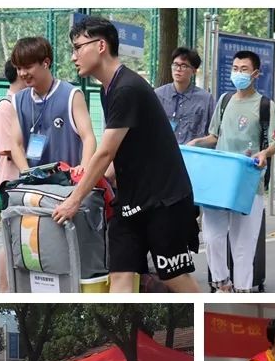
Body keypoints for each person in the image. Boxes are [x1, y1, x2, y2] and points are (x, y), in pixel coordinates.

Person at [52, 16, 200, 294]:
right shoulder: (106, 90)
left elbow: (105, 151)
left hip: (165, 202)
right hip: (131, 202)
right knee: (119, 276)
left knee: (173, 277)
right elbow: (121, 150)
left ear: (100, 46)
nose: (73, 57)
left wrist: (75, 199)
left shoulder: (127, 88)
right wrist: (94, 179)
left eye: (78, 47)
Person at [188, 50, 275, 292]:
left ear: (256, 74)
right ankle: (221, 283)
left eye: (244, 69)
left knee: (243, 245)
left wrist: (263, 154)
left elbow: (274, 142)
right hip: (219, 182)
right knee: (212, 237)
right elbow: (214, 135)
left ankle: (243, 290)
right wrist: (198, 142)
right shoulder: (224, 101)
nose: (238, 73)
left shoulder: (265, 106)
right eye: (235, 68)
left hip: (249, 183)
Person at [10, 36, 96, 175]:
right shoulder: (17, 100)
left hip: (67, 185)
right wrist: (27, 173)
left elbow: (88, 137)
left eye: (27, 67)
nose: (22, 73)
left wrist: (84, 167)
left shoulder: (71, 95)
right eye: (18, 68)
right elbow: (16, 144)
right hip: (36, 187)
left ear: (46, 63)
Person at [0, 59, 27, 293]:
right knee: (10, 238)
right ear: (20, 73)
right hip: (13, 182)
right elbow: (9, 148)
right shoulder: (5, 107)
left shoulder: (23, 104)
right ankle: (4, 289)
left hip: (24, 182)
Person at [154, 47, 215, 145]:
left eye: (184, 66)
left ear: (194, 71)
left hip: (193, 155)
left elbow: (214, 134)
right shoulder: (158, 95)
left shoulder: (206, 99)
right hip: (163, 153)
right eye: (175, 65)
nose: (178, 69)